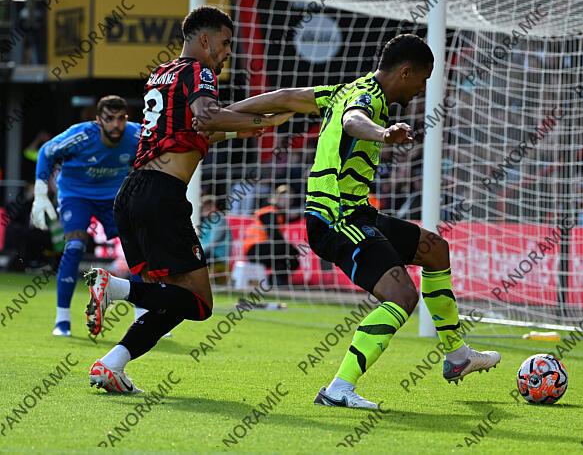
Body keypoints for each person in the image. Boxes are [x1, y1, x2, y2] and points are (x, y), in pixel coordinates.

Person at [198, 34, 501, 409]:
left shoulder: (345, 89)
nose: (423, 89)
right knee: (402, 296)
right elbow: (353, 120)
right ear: (405, 72)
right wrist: (382, 133)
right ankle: (338, 388)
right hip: (335, 218)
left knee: (435, 250)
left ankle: (457, 356)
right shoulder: (365, 100)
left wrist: (221, 115)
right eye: (422, 79)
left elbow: (287, 97)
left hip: (357, 213)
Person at [83, 6, 293, 393]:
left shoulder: (159, 75)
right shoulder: (199, 71)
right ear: (204, 39)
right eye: (226, 43)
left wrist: (241, 131)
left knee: (173, 300)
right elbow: (208, 116)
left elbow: (194, 129)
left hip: (132, 194)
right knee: (200, 303)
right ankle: (115, 288)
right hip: (161, 196)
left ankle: (111, 364)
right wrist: (262, 123)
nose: (228, 51)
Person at [30, 95, 140, 336]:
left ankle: (143, 316)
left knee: (138, 247)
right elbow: (46, 153)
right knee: (74, 246)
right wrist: (40, 192)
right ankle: (62, 321)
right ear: (99, 120)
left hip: (113, 197)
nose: (116, 125)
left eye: (121, 119)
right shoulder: (80, 135)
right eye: (110, 119)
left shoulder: (136, 135)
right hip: (75, 195)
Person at [244, 184, 300, 286]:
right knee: (290, 253)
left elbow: (292, 218)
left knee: (291, 260)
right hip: (255, 249)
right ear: (277, 198)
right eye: (284, 198)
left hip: (263, 248)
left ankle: (272, 282)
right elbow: (274, 235)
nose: (286, 201)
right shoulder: (268, 211)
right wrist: (292, 249)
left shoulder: (277, 212)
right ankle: (275, 281)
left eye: (289, 199)